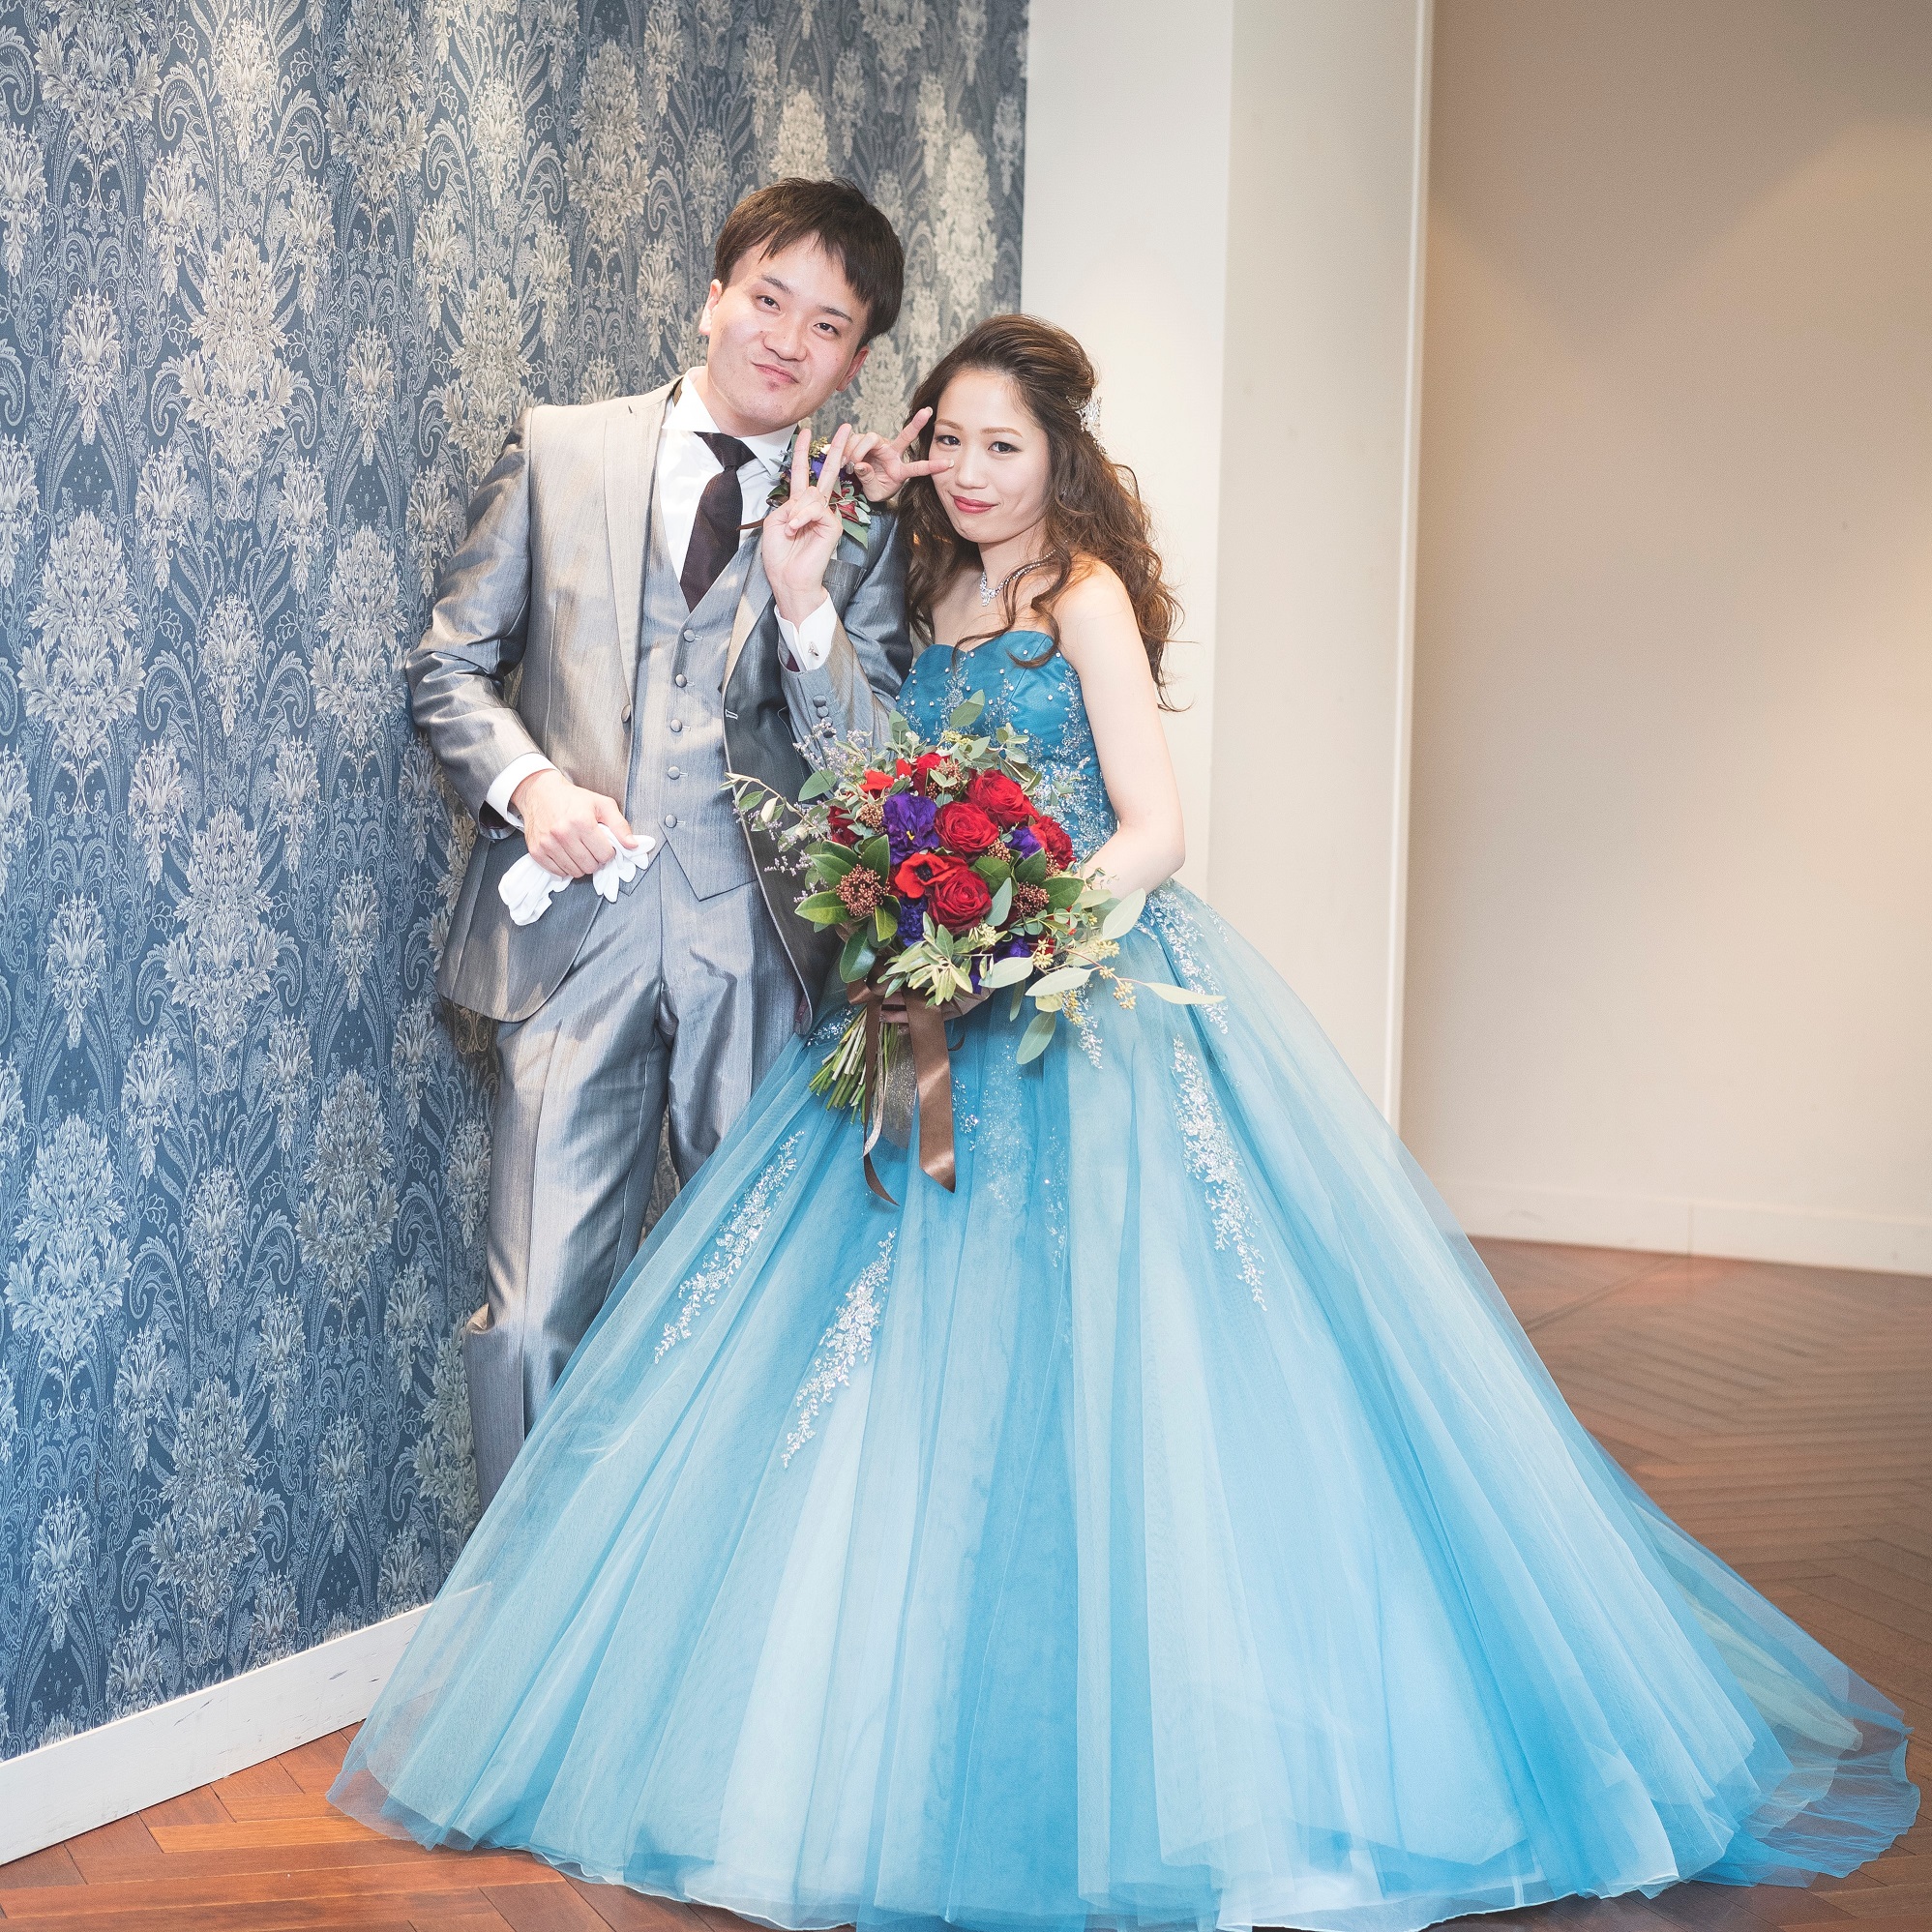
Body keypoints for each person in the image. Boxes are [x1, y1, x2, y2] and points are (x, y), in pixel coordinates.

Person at [337, 315, 1917, 1931]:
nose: (970, 473)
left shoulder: (1078, 596)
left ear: (1058, 458)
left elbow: (1155, 829)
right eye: (949, 441)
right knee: (904, 1368)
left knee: (1132, 1362)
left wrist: (1020, 937)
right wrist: (829, 623)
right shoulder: (920, 593)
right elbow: (864, 764)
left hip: (1082, 995)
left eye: (1001, 446)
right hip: (929, 1004)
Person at [413, 177, 938, 1507]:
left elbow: (875, 766)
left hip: (761, 948)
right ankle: (527, 1613)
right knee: (529, 1319)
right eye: (768, 298)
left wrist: (807, 606)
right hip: (572, 938)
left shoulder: (864, 525)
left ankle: (714, 1604)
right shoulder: (560, 447)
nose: (787, 339)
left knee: (750, 1305)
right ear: (713, 298)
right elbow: (449, 667)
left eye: (827, 326)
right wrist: (530, 787)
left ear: (853, 364)